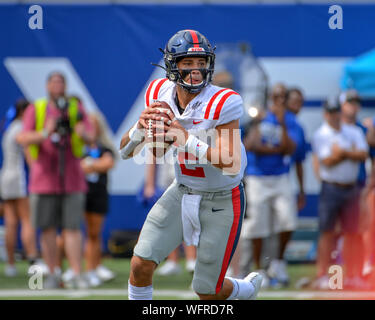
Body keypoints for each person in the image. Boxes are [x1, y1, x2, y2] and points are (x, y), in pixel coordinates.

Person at [119, 29, 262, 300]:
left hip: (222, 199)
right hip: (181, 190)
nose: (196, 70)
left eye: (201, 62)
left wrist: (186, 140)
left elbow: (230, 162)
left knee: (207, 291)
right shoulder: (158, 94)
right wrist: (140, 128)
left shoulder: (223, 101)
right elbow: (126, 151)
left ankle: (244, 290)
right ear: (173, 65)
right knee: (140, 264)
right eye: (188, 63)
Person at [17, 72, 94, 289]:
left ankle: (77, 274)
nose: (58, 85)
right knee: (47, 227)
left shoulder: (75, 109)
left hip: (71, 176)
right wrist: (45, 132)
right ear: (47, 85)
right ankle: (52, 273)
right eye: (54, 82)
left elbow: (91, 136)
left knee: (72, 227)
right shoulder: (38, 108)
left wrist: (81, 133)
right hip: (43, 178)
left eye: (61, 82)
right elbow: (22, 137)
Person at [240, 83, 299, 288]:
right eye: (276, 96)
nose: (279, 100)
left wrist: (282, 123)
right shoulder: (258, 115)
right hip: (257, 177)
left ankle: (278, 262)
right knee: (257, 225)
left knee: (288, 221)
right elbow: (249, 146)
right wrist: (258, 124)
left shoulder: (289, 119)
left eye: (283, 96)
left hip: (280, 176)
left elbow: (289, 148)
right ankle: (259, 269)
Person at [311, 98, 368, 289]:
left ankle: (354, 275)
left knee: (353, 232)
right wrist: (349, 152)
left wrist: (341, 153)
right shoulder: (321, 134)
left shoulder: (353, 131)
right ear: (325, 114)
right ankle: (322, 276)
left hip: (351, 187)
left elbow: (363, 154)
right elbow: (327, 161)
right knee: (327, 232)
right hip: (331, 187)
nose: (334, 116)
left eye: (337, 112)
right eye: (331, 112)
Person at [0, 98, 38, 277]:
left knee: (10, 221)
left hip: (5, 177)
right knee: (26, 219)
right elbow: (28, 152)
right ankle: (32, 261)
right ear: (25, 112)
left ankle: (11, 265)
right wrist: (37, 173)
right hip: (18, 178)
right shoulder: (21, 128)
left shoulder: (9, 127)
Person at [81, 112, 116, 287]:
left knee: (94, 234)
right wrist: (92, 166)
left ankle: (92, 269)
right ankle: (69, 270)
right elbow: (76, 167)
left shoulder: (104, 148)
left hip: (97, 194)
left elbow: (108, 163)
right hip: (78, 194)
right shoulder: (77, 147)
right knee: (69, 232)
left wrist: (89, 165)